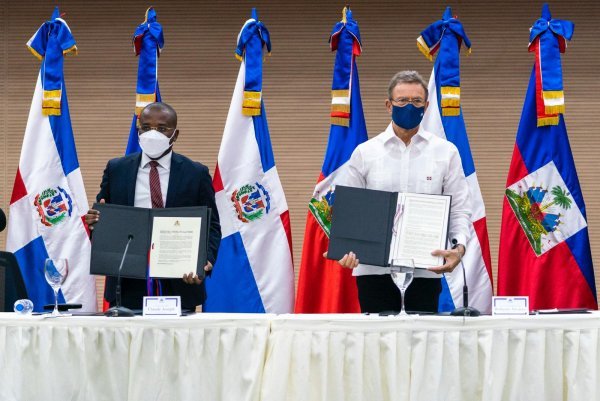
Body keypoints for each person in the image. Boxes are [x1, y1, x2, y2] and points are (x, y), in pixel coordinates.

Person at [335, 71, 471, 314]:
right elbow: (350, 212)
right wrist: (346, 248)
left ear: (426, 106)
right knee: (377, 345)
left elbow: (460, 209)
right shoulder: (365, 153)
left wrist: (458, 249)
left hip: (425, 271)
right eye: (402, 101)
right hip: (373, 271)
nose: (410, 106)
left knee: (423, 345)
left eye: (417, 102)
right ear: (389, 105)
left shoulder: (446, 152)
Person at [85, 102, 221, 312]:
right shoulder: (116, 169)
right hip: (127, 281)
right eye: (146, 128)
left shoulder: (196, 173)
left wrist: (206, 261)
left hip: (180, 281)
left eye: (162, 128)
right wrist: (96, 223)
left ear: (175, 135)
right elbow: (103, 217)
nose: (153, 133)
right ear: (138, 131)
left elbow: (212, 226)